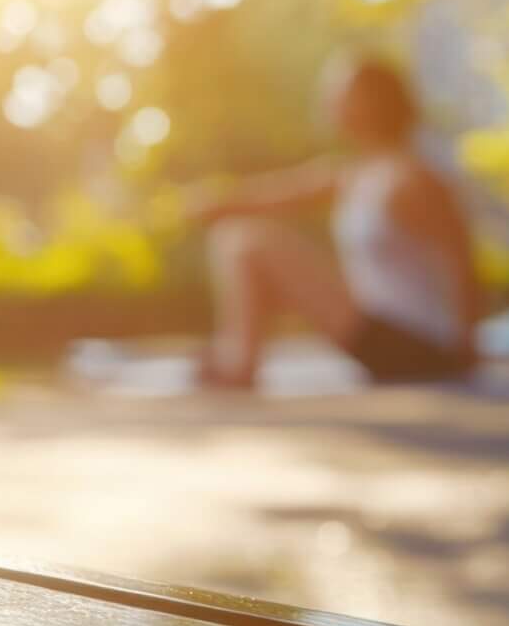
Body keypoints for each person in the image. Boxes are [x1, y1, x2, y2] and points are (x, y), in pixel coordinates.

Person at [186, 54, 483, 387]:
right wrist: (215, 202)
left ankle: (238, 366)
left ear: (371, 102)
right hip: (382, 337)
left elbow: (462, 263)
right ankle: (237, 359)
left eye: (339, 91)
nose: (328, 100)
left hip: (420, 347)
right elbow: (280, 193)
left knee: (245, 244)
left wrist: (466, 348)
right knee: (236, 235)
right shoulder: (353, 175)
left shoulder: (411, 179)